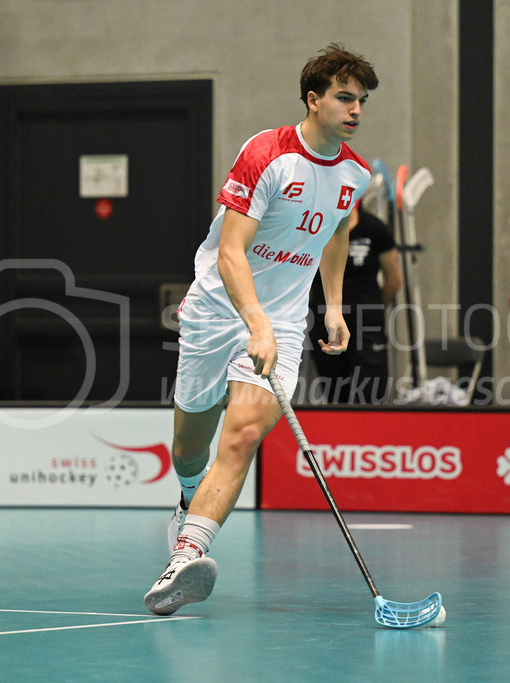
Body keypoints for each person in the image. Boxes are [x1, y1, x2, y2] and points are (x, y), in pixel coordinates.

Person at [143, 44, 378, 616]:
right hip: (216, 312)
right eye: (344, 97)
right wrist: (254, 321)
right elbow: (230, 251)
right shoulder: (267, 154)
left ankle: (187, 554)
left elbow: (338, 233)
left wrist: (334, 307)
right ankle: (187, 502)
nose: (355, 110)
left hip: (285, 323)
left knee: (243, 434)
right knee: (188, 446)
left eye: (362, 101)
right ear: (313, 98)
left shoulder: (354, 173)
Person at [307, 201, 402, 404]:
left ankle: (371, 434)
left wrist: (372, 308)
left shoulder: (374, 228)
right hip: (326, 321)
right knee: (334, 392)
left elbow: (393, 280)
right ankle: (337, 434)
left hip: (366, 322)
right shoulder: (316, 226)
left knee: (371, 392)